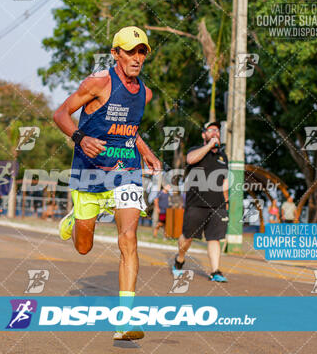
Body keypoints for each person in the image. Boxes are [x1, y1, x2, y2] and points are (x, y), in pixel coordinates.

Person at [53, 26, 160, 341]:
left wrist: (147, 152)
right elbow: (60, 113)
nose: (137, 58)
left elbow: (129, 129)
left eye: (142, 52)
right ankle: (76, 217)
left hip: (127, 170)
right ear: (116, 53)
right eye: (130, 51)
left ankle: (124, 321)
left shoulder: (145, 93)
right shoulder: (98, 83)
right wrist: (80, 137)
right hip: (89, 172)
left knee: (128, 239)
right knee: (83, 247)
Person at [172, 121, 229, 283]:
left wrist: (226, 203)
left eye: (217, 131)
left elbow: (224, 180)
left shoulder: (223, 157)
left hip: (217, 205)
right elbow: (190, 160)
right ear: (204, 135)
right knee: (188, 237)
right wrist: (209, 145)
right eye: (210, 130)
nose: (215, 133)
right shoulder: (195, 150)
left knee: (214, 238)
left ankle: (215, 271)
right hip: (196, 203)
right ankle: (180, 258)